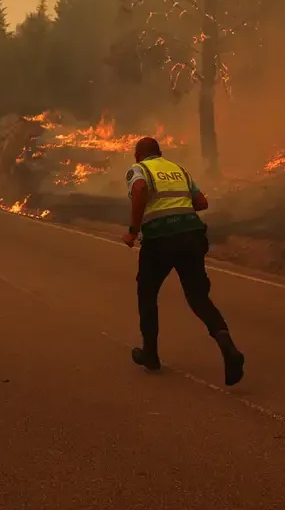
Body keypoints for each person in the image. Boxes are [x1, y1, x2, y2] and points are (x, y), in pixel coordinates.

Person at [122, 137, 245, 386]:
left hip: (159, 240)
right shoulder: (179, 170)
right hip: (192, 236)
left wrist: (134, 230)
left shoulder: (140, 170)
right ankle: (228, 347)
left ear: (138, 155)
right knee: (198, 297)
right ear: (160, 153)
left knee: (147, 294)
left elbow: (139, 190)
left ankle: (151, 355)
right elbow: (201, 202)